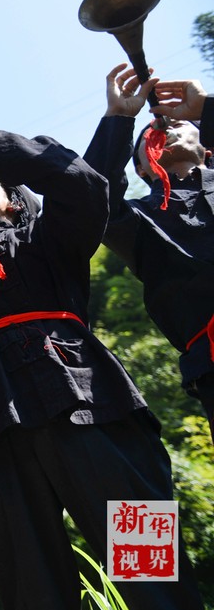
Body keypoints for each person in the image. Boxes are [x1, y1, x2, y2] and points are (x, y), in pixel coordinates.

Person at [0, 116, 206, 610]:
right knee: (33, 594)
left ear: (16, 199)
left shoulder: (52, 238)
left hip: (92, 405)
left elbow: (84, 184)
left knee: (148, 567)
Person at [84, 64, 214, 441]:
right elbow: (93, 199)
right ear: (141, 167)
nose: (163, 128)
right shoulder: (138, 220)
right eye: (148, 136)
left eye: (178, 125)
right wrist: (120, 119)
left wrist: (204, 107)